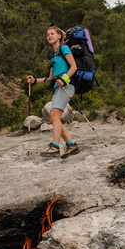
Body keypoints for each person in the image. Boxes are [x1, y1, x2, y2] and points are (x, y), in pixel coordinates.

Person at [27, 26, 80, 158]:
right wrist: (34, 81)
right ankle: (71, 144)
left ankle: (55, 147)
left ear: (59, 36)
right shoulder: (54, 55)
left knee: (55, 116)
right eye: (48, 34)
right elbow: (50, 78)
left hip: (66, 86)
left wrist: (64, 79)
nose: (49, 36)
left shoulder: (64, 48)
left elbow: (74, 66)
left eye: (52, 34)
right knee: (53, 117)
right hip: (58, 87)